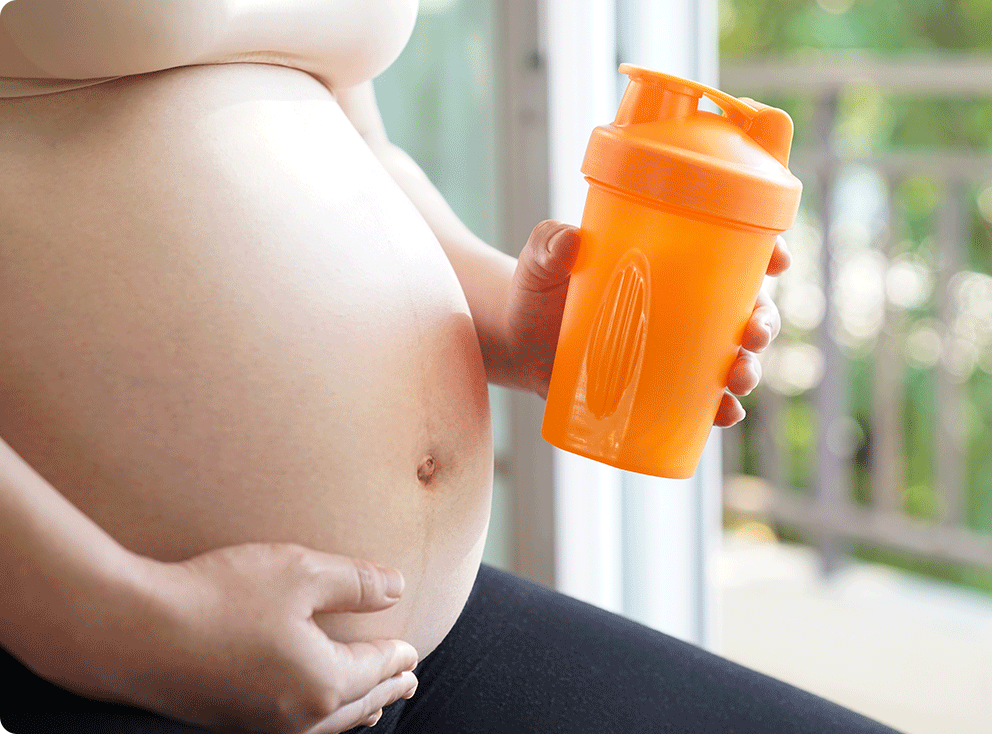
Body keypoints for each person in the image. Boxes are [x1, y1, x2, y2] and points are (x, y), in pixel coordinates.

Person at [0, 2, 900, 732]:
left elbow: (362, 145)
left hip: (413, 654)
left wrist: (522, 324)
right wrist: (129, 625)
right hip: (124, 662)